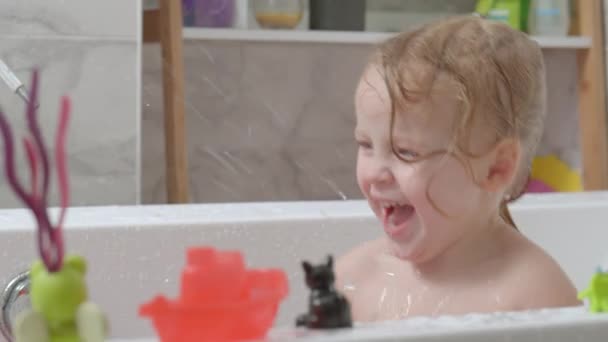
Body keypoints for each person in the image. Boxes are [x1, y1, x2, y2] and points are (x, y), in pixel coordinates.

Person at [335, 15, 580, 322]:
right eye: (366, 145)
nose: (375, 174)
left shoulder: (534, 296)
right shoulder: (351, 282)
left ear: (496, 168)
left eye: (406, 152)